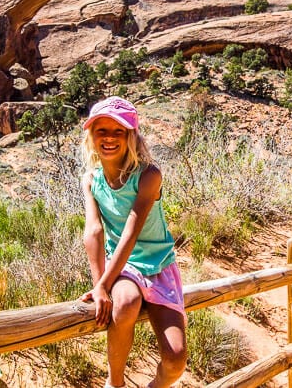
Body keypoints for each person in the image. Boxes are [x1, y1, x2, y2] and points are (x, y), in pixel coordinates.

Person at [79, 96, 187, 388]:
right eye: (102, 131)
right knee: (125, 301)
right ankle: (115, 383)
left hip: (158, 266)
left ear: (131, 136)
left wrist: (103, 284)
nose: (110, 138)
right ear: (91, 136)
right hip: (123, 266)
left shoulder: (148, 175)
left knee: (176, 358)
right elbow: (93, 230)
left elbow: (131, 230)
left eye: (119, 131)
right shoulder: (91, 180)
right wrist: (100, 284)